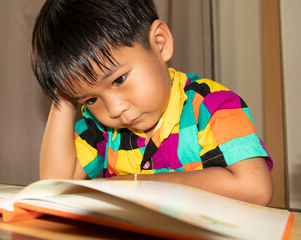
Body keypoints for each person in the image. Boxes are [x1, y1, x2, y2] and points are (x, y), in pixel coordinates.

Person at [30, 0, 273, 206]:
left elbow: (255, 188)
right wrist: (63, 95)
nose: (115, 110)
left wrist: (140, 184)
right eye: (90, 99)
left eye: (119, 79)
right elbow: (53, 186)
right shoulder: (101, 128)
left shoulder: (211, 106)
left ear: (160, 43)